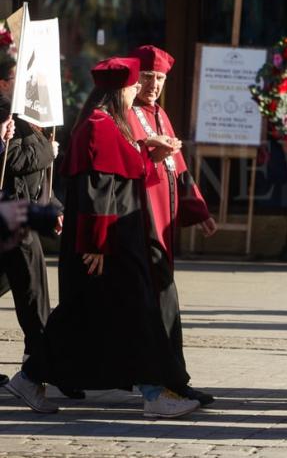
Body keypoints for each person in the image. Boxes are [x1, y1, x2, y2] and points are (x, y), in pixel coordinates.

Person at [5, 57, 199, 419]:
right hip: (109, 245)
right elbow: (99, 189)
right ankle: (154, 394)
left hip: (113, 241)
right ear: (117, 90)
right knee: (135, 315)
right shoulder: (100, 125)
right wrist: (96, 245)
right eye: (131, 87)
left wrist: (150, 151)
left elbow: (122, 170)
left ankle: (30, 377)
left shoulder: (110, 123)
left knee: (81, 320)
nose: (137, 91)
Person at [127, 44, 217, 406]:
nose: (153, 85)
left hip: (162, 224)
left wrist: (200, 210)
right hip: (138, 221)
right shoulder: (124, 113)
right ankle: (163, 381)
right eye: (147, 77)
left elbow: (179, 168)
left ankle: (174, 378)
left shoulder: (161, 115)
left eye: (160, 78)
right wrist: (148, 151)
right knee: (158, 302)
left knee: (166, 301)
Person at [0, 57, 62, 402]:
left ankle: (35, 364)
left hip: (22, 217)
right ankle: (35, 371)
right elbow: (17, 162)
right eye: (16, 77)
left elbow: (35, 179)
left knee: (30, 292)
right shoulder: (4, 113)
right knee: (33, 296)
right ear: (2, 84)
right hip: (13, 220)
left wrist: (55, 207)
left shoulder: (27, 116)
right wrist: (48, 150)